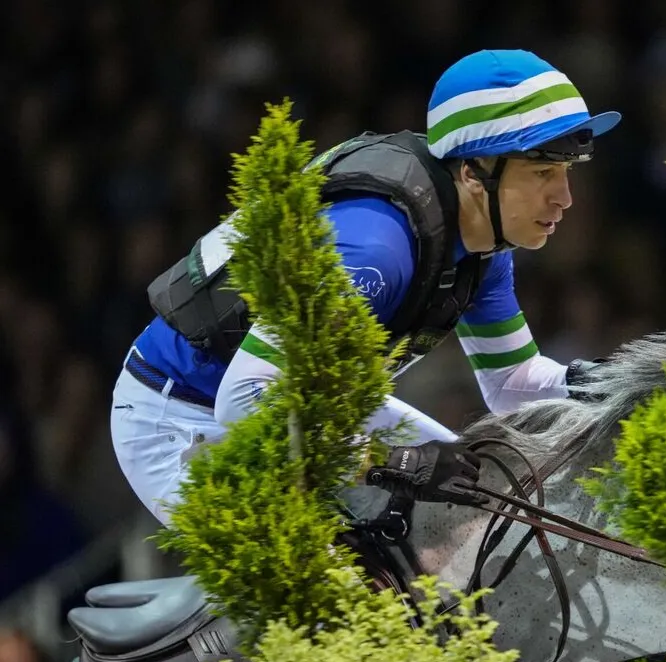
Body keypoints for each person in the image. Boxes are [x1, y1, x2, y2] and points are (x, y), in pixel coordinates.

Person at [110, 49, 618, 524]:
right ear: (472, 172)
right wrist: (394, 461)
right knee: (337, 595)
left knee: (492, 503)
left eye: (567, 171)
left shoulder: (484, 247)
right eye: (544, 171)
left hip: (305, 404)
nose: (565, 198)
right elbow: (247, 398)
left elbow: (513, 386)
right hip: (182, 416)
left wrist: (608, 388)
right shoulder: (376, 248)